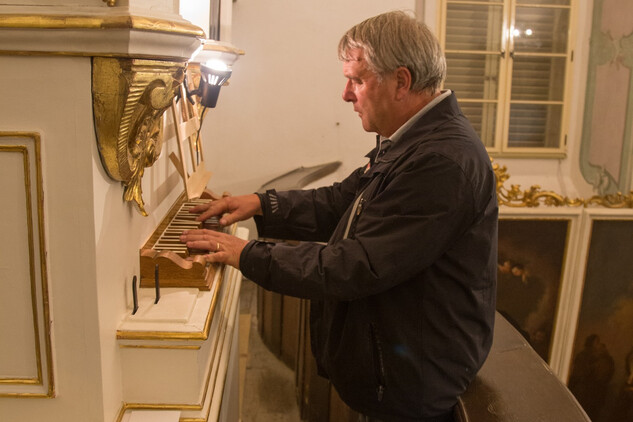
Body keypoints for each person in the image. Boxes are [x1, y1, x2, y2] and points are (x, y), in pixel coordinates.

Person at [181, 10, 498, 422]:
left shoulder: (441, 162)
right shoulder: (411, 140)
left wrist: (245, 253)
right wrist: (260, 204)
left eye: (357, 80)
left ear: (401, 82)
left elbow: (357, 265)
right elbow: (339, 202)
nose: (346, 95)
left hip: (412, 382)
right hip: (396, 363)